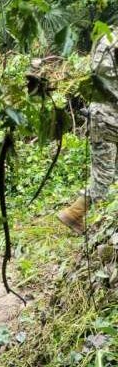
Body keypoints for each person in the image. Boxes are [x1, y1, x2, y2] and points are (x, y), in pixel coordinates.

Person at [59, 28, 118, 233]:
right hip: (109, 120)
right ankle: (73, 214)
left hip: (101, 115)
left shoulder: (107, 37)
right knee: (104, 176)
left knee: (110, 173)